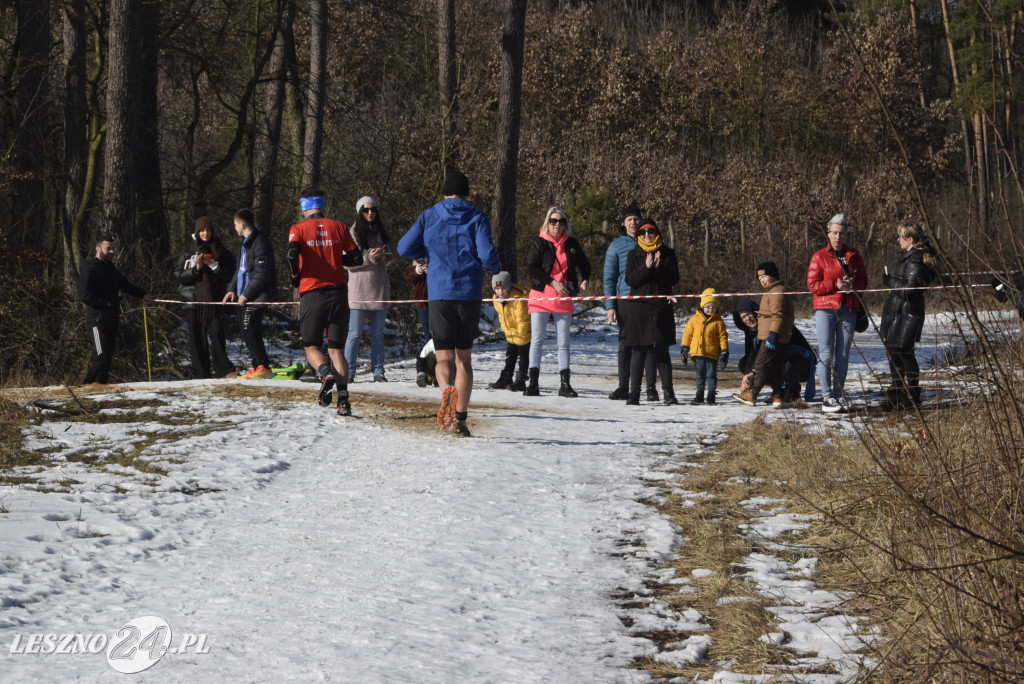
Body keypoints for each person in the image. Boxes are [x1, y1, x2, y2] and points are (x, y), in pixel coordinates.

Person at [398, 169, 501, 437]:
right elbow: (487, 253)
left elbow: (403, 248)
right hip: (467, 293)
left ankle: (446, 391)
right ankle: (462, 420)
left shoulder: (430, 215)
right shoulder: (477, 216)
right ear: (467, 193)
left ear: (444, 192)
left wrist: (426, 254)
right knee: (464, 359)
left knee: (443, 356)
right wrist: (494, 267)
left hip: (440, 292)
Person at [286, 189, 363, 415]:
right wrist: (335, 259)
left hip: (312, 292)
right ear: (322, 205)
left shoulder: (298, 228)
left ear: (304, 207)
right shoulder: (338, 226)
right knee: (337, 350)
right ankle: (343, 402)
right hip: (339, 293)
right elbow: (356, 258)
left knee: (311, 346)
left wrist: (295, 276)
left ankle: (323, 373)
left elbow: (292, 255)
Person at [524, 206, 591, 398]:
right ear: (547, 222)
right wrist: (552, 281)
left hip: (564, 297)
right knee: (537, 340)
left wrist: (584, 280)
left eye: (560, 221)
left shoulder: (572, 244)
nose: (556, 225)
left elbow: (585, 265)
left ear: (565, 224)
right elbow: (532, 268)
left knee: (564, 342)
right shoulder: (539, 243)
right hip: (541, 295)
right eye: (553, 221)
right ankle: (533, 383)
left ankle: (565, 384)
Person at [807, 213, 867, 413]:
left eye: (841, 233)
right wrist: (834, 284)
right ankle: (827, 396)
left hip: (848, 308)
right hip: (825, 309)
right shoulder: (819, 256)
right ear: (828, 234)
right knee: (826, 352)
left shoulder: (854, 255)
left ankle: (839, 395)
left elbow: (864, 282)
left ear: (846, 235)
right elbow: (813, 285)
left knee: (843, 354)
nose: (838, 237)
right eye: (834, 233)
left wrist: (852, 286)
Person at [78, 236, 155, 384]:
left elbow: (125, 285)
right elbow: (85, 295)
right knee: (101, 356)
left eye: (113, 248)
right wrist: (105, 304)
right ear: (98, 248)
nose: (112, 251)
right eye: (109, 248)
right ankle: (85, 386)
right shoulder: (89, 268)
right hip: (96, 321)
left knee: (108, 357)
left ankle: (100, 387)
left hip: (111, 318)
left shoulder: (110, 268)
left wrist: (143, 294)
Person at [622, 219, 679, 405]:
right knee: (638, 352)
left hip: (661, 309)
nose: (647, 235)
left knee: (662, 351)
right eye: (643, 232)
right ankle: (634, 393)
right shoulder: (634, 254)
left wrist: (658, 266)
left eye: (650, 231)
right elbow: (630, 280)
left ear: (657, 233)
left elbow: (673, 278)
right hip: (639, 310)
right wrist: (646, 267)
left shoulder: (668, 253)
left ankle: (668, 393)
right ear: (639, 235)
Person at [879, 224, 936, 409]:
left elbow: (911, 289)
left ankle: (912, 395)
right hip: (897, 310)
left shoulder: (916, 259)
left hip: (908, 312)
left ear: (910, 239)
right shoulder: (909, 257)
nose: (898, 240)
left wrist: (889, 281)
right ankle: (897, 393)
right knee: (894, 351)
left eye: (901, 237)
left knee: (904, 352)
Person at [603, 201, 655, 400]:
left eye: (636, 219)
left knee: (648, 344)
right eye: (629, 219)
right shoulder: (616, 246)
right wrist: (610, 305)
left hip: (648, 299)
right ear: (624, 223)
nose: (633, 223)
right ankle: (623, 385)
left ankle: (649, 387)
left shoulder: (651, 240)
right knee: (625, 343)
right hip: (625, 300)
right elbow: (609, 277)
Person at [173, 216, 236, 379]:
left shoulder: (221, 251)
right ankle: (201, 374)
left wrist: (215, 266)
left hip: (215, 300)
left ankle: (225, 370)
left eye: (208, 230)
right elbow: (179, 276)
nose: (205, 233)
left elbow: (232, 275)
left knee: (217, 334)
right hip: (193, 301)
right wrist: (196, 269)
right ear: (197, 233)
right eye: (202, 230)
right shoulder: (188, 252)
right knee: (196, 338)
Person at [223, 208, 279, 380]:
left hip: (257, 296)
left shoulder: (260, 242)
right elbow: (240, 271)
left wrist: (247, 294)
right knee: (245, 330)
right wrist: (231, 289)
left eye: (235, 224)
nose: (234, 228)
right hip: (244, 296)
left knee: (249, 329)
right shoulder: (244, 243)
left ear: (242, 224)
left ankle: (263, 366)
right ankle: (256, 366)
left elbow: (262, 274)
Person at [344, 196, 393, 383]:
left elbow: (390, 257)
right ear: (359, 212)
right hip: (358, 290)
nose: (370, 213)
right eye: (365, 210)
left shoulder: (382, 231)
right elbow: (346, 263)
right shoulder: (352, 233)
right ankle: (348, 371)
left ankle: (379, 371)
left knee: (378, 334)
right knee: (354, 334)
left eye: (372, 209)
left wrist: (384, 257)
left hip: (379, 289)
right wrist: (368, 258)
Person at [733, 261, 794, 407]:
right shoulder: (770, 292)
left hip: (772, 337)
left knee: (761, 365)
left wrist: (772, 334)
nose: (762, 281)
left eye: (764, 277)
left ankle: (752, 394)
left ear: (772, 275)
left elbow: (777, 315)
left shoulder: (776, 292)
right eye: (759, 279)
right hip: (768, 335)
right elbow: (764, 317)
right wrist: (760, 334)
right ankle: (777, 395)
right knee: (774, 365)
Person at [735, 297, 814, 405]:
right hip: (779, 360)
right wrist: (748, 374)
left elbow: (765, 354)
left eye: (748, 313)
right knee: (744, 364)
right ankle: (778, 392)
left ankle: (793, 392)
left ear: (755, 311)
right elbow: (751, 354)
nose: (747, 318)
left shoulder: (772, 326)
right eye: (743, 317)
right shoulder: (751, 332)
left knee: (782, 363)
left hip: (800, 363)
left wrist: (753, 373)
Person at [680, 288, 728, 405]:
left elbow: (723, 337)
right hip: (698, 353)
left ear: (716, 308)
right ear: (702, 306)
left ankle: (711, 396)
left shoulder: (718, 322)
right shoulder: (694, 320)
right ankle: (699, 396)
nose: (710, 309)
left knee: (711, 375)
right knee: (700, 375)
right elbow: (687, 334)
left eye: (713, 307)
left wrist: (724, 351)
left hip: (712, 353)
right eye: (707, 306)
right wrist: (684, 348)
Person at [488, 271, 531, 391]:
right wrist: (506, 330)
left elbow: (523, 319)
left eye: (503, 288)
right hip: (511, 333)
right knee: (510, 356)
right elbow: (502, 316)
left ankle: (521, 380)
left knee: (523, 357)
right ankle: (506, 377)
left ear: (508, 287)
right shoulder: (496, 300)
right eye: (497, 288)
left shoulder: (518, 299)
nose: (500, 291)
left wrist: (522, 334)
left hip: (523, 333)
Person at [403, 257, 431, 346]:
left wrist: (433, 271)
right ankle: (432, 356)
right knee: (427, 330)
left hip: (442, 298)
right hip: (422, 299)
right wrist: (417, 271)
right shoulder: (417, 254)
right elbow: (408, 276)